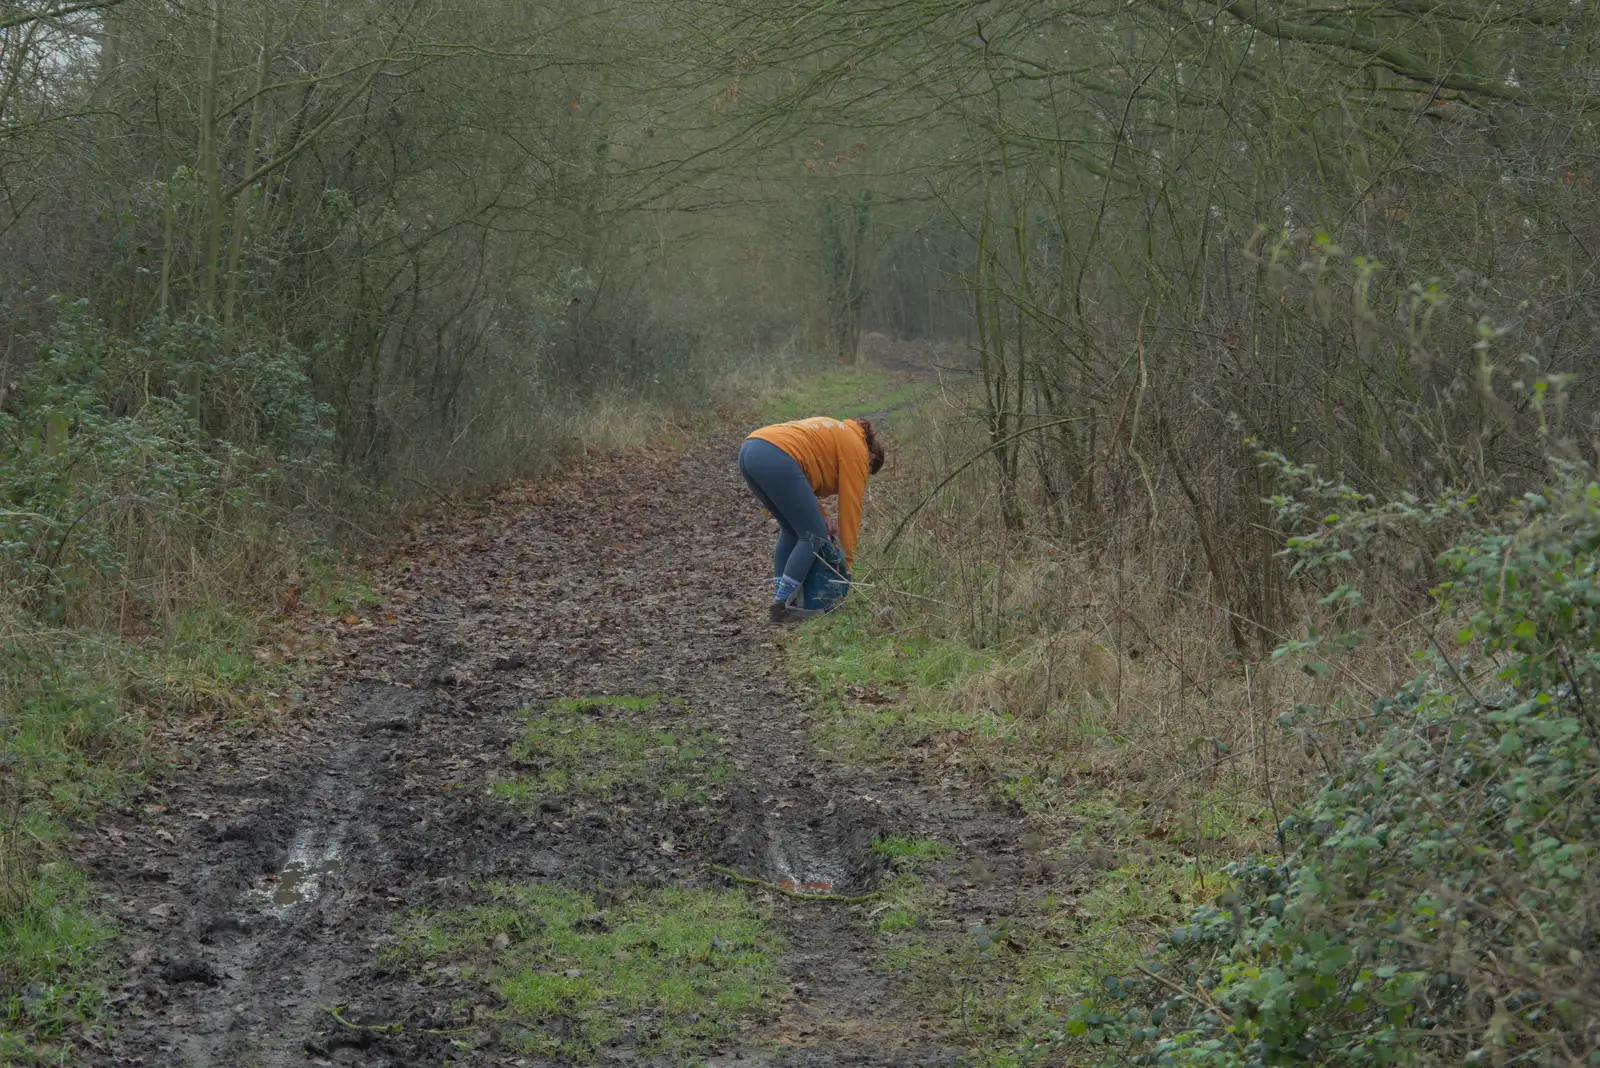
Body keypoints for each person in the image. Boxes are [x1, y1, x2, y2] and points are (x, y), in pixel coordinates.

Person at [738, 415, 886, 623]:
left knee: (791, 530)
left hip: (751, 449)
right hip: (776, 455)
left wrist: (823, 516)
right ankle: (783, 605)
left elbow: (801, 477)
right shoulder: (857, 452)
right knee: (814, 535)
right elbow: (850, 511)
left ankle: (781, 603)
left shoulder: (841, 435)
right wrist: (845, 566)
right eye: (866, 473)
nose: (862, 476)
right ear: (870, 458)